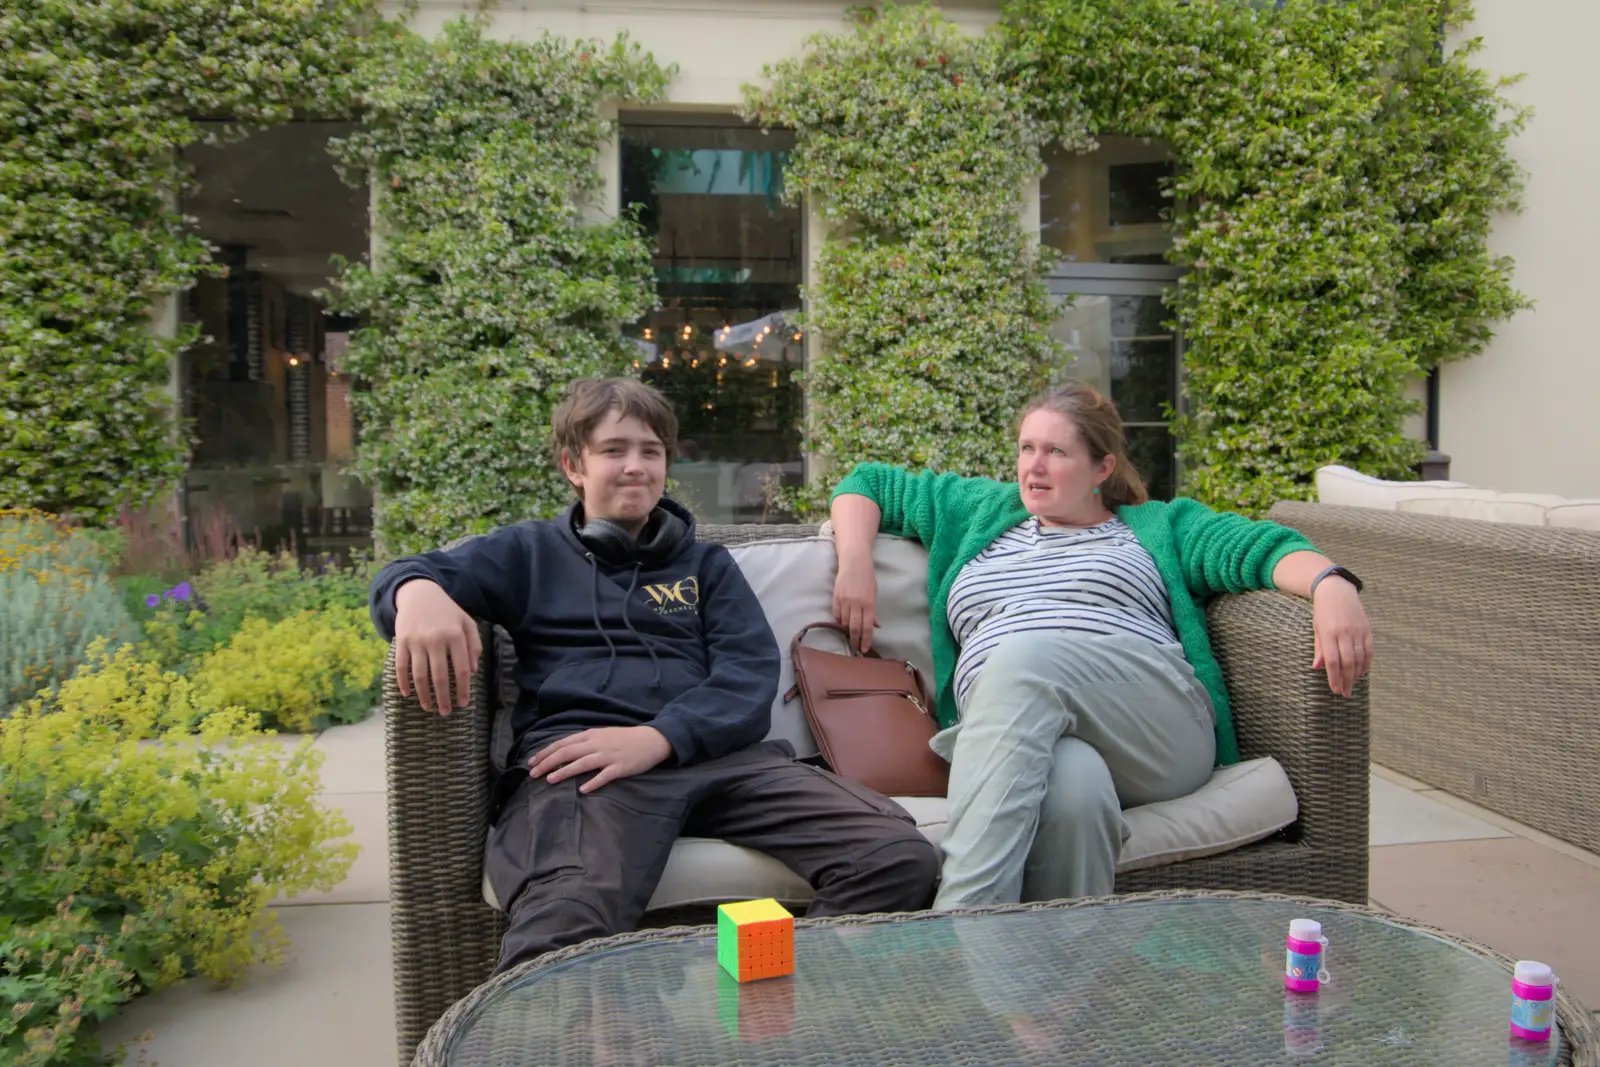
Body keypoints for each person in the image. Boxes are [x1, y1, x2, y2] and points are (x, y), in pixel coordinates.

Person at [370, 377, 938, 972]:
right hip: (588, 766)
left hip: (721, 761)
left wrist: (659, 738)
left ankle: (755, 996)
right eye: (614, 450)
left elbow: (748, 677)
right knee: (561, 922)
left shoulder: (705, 566)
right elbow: (406, 574)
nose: (635, 467)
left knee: (897, 857)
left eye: (651, 451)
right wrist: (416, 591)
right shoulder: (528, 553)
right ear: (573, 465)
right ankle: (615, 1032)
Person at [829, 380, 1372, 909]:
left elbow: (1262, 547)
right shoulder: (978, 511)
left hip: (1155, 728)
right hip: (1030, 729)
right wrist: (856, 564)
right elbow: (868, 483)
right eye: (1026, 448)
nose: (1033, 466)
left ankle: (959, 919)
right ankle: (1044, 991)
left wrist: (1332, 584)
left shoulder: (1157, 527)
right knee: (1075, 790)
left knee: (1023, 657)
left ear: (1102, 468)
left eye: (1056, 452)